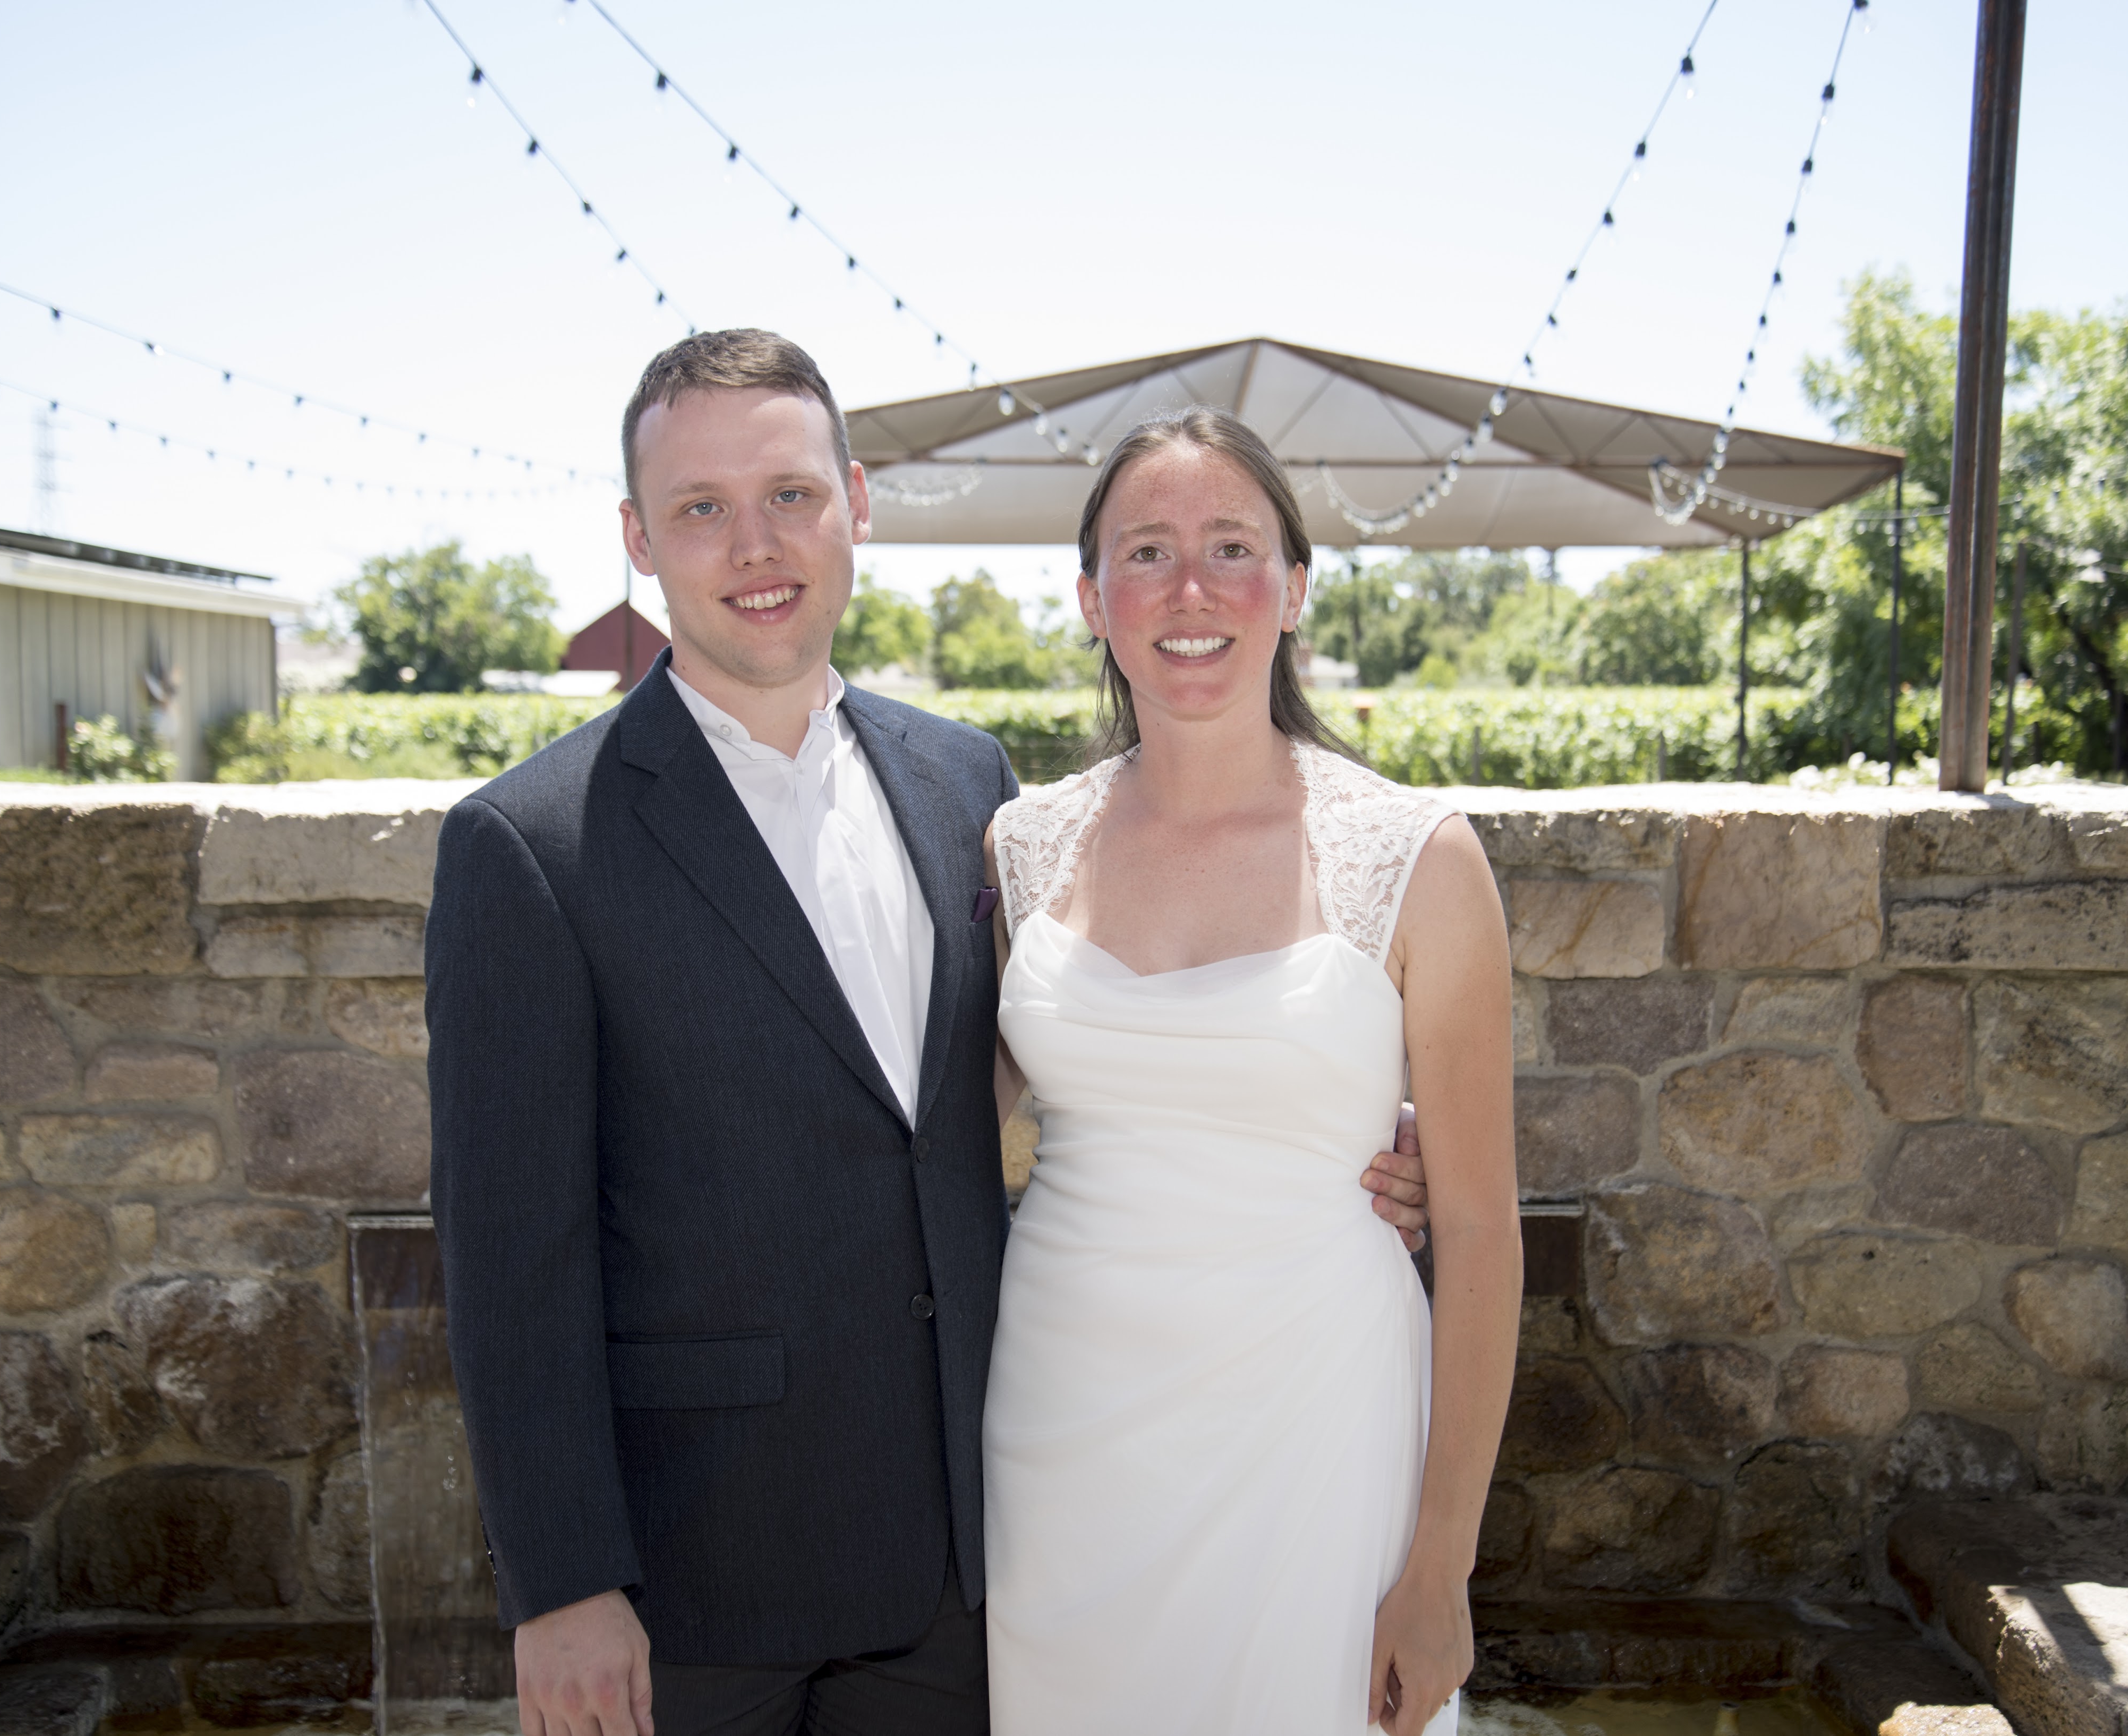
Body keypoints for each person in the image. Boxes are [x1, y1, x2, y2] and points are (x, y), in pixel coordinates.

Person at [425, 330, 1435, 1736]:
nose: (757, 544)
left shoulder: (972, 787)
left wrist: (1355, 1137)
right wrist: (562, 1582)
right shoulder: (527, 844)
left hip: (967, 1554)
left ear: (855, 501)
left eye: (791, 494)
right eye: (701, 507)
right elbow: (507, 1255)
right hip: (690, 1580)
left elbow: (1053, 1061)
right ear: (638, 540)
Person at [980, 406, 1522, 1735]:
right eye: (1147, 551)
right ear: (1092, 599)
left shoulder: (1418, 856)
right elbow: (951, 1134)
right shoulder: (1020, 846)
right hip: (1063, 1431)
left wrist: (1443, 1564)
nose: (1192, 588)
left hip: (1317, 1428)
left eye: (1232, 545)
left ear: (1295, 585)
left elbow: (1480, 1227)